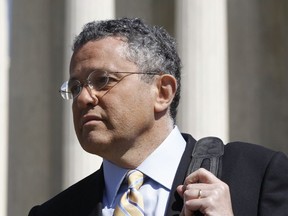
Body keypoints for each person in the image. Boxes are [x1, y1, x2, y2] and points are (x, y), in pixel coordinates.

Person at [29, 17, 288, 216]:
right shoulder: (55, 211)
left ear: (163, 91)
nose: (83, 98)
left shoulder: (258, 175)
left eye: (103, 80)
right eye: (75, 88)